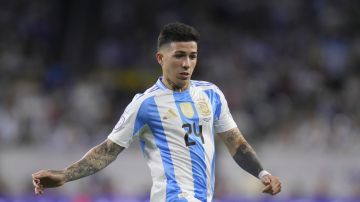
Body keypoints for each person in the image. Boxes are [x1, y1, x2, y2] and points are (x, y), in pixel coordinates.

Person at [32, 22, 281, 202]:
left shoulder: (211, 94)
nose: (186, 63)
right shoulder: (145, 104)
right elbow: (108, 150)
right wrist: (65, 175)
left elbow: (236, 143)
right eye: (179, 56)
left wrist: (263, 173)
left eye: (192, 56)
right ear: (160, 58)